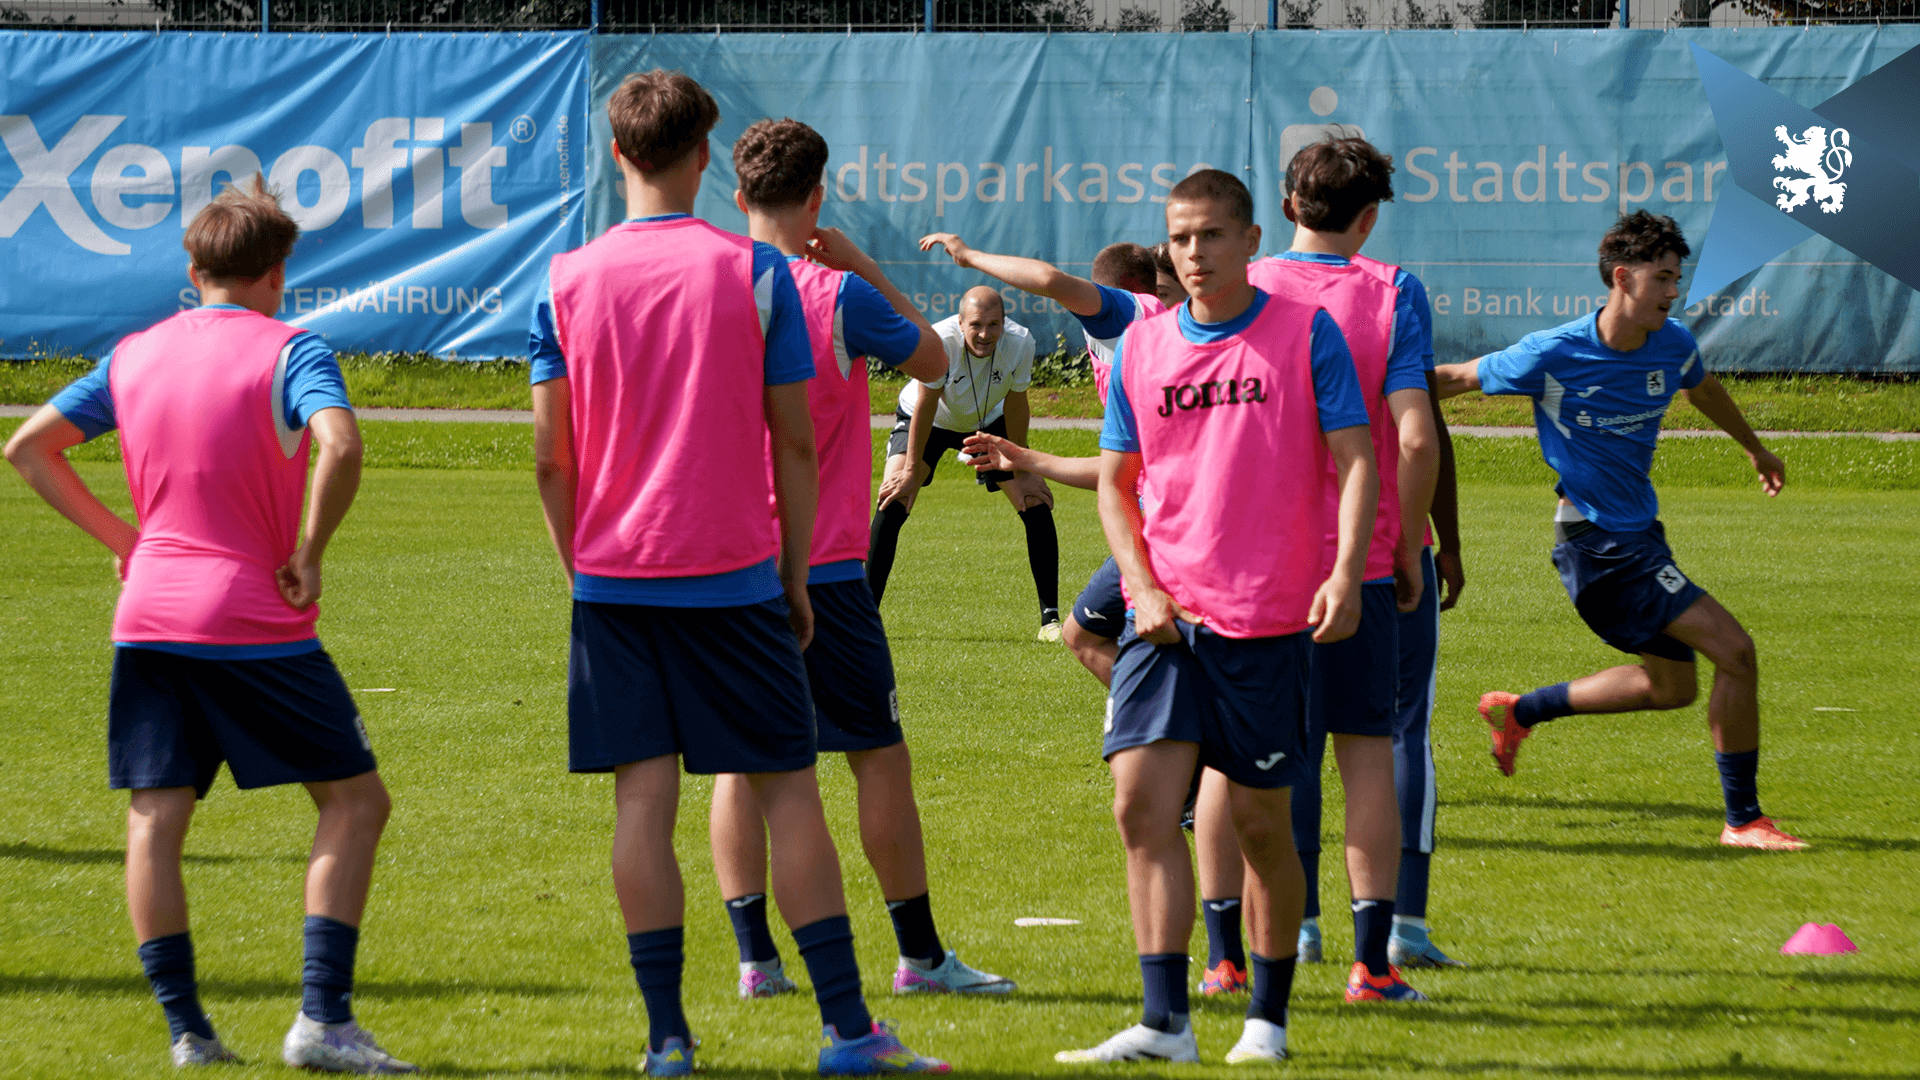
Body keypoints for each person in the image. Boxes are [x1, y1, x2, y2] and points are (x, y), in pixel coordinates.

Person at [528, 71, 947, 1076]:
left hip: (614, 583)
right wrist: (798, 574)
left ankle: (668, 1035)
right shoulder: (755, 276)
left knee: (644, 803)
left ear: (618, 155)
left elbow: (551, 459)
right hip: (736, 575)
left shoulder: (564, 279)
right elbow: (794, 446)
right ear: (703, 158)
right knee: (790, 793)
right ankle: (849, 1033)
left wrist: (578, 565)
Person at [3, 176, 411, 1073]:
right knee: (354, 802)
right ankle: (323, 1022)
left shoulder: (137, 353)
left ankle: (187, 1032)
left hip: (147, 616)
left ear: (193, 269)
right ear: (280, 272)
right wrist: (310, 551)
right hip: (251, 619)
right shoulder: (293, 349)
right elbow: (340, 443)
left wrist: (125, 539)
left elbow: (27, 448)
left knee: (156, 818)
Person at [1056, 170, 1378, 1066]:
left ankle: (1267, 1022)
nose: (1193, 255)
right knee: (1139, 808)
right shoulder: (1145, 351)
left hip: (1267, 622)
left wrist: (1346, 572)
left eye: (1210, 237)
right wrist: (1140, 586)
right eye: (1180, 239)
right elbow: (1118, 488)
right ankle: (1165, 1023)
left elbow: (1357, 462)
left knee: (1262, 827)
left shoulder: (1304, 334)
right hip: (1165, 620)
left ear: (1247, 242)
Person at [709, 117, 1013, 1004]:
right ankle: (918, 958)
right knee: (877, 755)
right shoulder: (831, 292)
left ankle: (754, 961)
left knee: (741, 763)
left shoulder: (707, 286)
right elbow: (936, 358)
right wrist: (860, 266)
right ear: (817, 198)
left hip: (728, 566)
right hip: (829, 567)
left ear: (736, 198)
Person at [1431, 210, 1803, 853]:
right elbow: (1456, 378)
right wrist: (1353, 399)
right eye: (1662, 277)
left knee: (1671, 688)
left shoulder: (1672, 343)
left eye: (1677, 279)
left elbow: (1704, 390)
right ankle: (1743, 821)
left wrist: (1755, 448)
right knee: (1736, 653)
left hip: (1639, 537)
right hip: (1598, 544)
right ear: (1623, 278)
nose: (1672, 291)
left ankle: (1520, 711)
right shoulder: (1555, 352)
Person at [1237, 136, 1445, 998]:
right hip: (1369, 561)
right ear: (1369, 217)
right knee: (1378, 746)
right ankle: (1378, 953)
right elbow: (1418, 434)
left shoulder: (1243, 290)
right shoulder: (1393, 290)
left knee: (1275, 751)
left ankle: (1290, 929)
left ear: (1287, 208)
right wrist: (1406, 546)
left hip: (1265, 565)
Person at [916, 233, 1164, 679]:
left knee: (1121, 645)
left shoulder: (1129, 315)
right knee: (1084, 635)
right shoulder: (1174, 328)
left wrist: (969, 255)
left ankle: (1175, 735)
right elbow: (1126, 472)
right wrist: (1028, 460)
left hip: (1162, 525)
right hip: (1165, 508)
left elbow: (1049, 279)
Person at [865, 286, 1060, 640]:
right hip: (930, 419)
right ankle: (862, 620)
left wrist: (1024, 468)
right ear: (960, 322)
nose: (985, 334)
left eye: (993, 324)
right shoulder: (941, 340)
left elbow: (1017, 406)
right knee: (894, 497)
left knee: (1034, 501)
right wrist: (910, 472)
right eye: (976, 325)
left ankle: (1051, 620)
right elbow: (926, 403)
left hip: (989, 421)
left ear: (1004, 323)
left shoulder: (1021, 342)